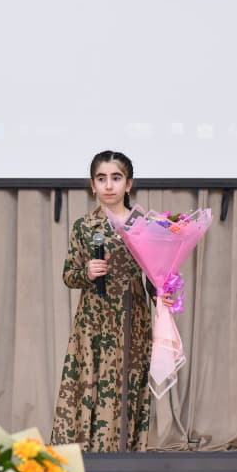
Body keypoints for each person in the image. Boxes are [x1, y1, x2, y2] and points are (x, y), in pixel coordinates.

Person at [50, 151, 173, 452]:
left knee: (129, 380)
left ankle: (126, 451)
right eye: (101, 178)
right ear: (92, 185)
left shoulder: (144, 225)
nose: (108, 185)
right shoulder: (84, 226)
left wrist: (161, 294)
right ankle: (88, 452)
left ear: (128, 184)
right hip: (94, 319)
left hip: (133, 317)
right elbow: (69, 275)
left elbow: (153, 274)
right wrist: (87, 272)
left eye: (116, 178)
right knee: (91, 381)